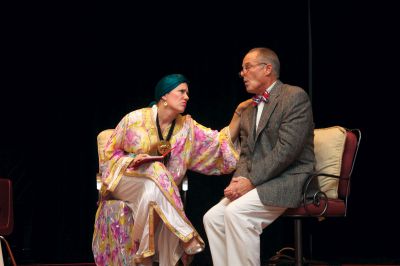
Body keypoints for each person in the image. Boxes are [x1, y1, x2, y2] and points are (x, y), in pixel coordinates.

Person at [96, 73, 252, 266]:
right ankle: (185, 232)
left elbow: (217, 142)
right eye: (181, 92)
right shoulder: (134, 119)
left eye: (187, 93)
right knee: (156, 170)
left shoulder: (187, 127)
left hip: (158, 190)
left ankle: (145, 255)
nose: (186, 97)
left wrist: (238, 113)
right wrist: (133, 159)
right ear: (164, 96)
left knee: (152, 191)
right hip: (125, 181)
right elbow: (109, 156)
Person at [203, 47, 315, 266]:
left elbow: (286, 151)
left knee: (237, 213)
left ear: (267, 69)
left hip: (291, 178)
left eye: (247, 67)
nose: (242, 73)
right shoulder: (249, 108)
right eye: (242, 69)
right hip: (262, 181)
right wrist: (239, 180)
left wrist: (250, 181)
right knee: (213, 218)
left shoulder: (294, 96)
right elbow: (246, 153)